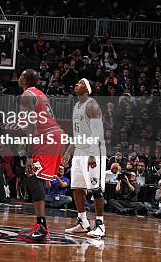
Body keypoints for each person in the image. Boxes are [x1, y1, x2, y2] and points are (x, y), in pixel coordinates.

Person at [17, 69, 65, 242]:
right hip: (55, 135)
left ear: (23, 79)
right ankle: (40, 225)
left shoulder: (26, 95)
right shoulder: (40, 94)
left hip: (48, 137)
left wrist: (30, 156)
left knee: (32, 176)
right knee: (35, 178)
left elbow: (32, 126)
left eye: (20, 75)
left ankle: (42, 227)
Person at [64, 78, 107, 238]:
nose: (76, 84)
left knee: (95, 189)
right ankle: (83, 221)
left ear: (87, 90)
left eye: (80, 83)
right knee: (77, 187)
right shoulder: (76, 106)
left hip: (93, 150)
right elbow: (77, 133)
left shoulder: (92, 105)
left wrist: (92, 154)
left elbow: (97, 131)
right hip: (79, 150)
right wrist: (69, 151)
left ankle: (100, 225)